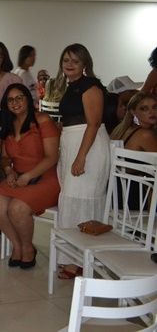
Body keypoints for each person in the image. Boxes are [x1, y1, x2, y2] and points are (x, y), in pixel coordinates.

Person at [55, 44, 110, 279]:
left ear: (84, 64)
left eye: (75, 61)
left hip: (89, 148)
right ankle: (72, 256)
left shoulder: (90, 86)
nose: (69, 64)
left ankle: (80, 260)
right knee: (71, 199)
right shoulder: (72, 86)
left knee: (82, 200)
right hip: (73, 143)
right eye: (66, 60)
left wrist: (81, 157)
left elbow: (94, 123)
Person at [0, 84, 60, 269]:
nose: (15, 102)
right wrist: (9, 171)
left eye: (19, 97)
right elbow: (5, 158)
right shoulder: (9, 125)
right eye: (10, 100)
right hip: (19, 177)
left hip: (45, 178)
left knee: (17, 208)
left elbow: (52, 157)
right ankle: (17, 245)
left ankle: (28, 248)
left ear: (28, 99)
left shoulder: (42, 120)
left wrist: (28, 176)